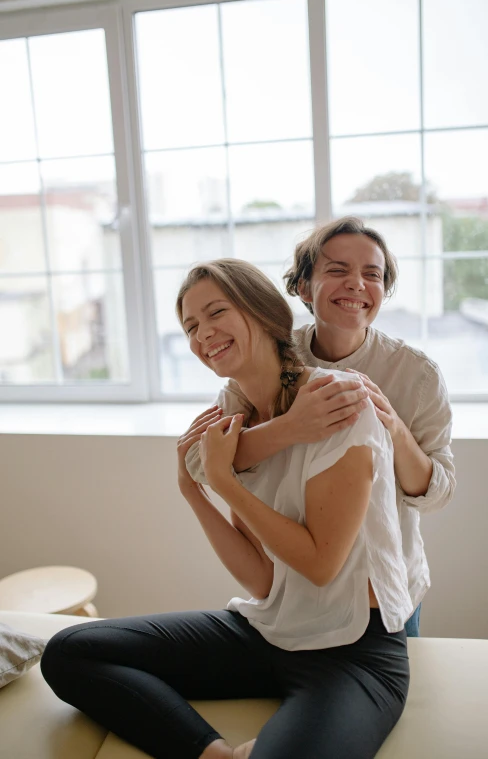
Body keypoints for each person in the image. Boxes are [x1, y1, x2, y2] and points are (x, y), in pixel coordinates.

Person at [41, 257, 412, 759]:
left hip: (353, 651)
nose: (202, 335)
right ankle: (215, 754)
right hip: (269, 629)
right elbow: (261, 580)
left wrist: (223, 480)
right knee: (69, 654)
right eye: (191, 326)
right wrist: (192, 490)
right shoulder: (235, 420)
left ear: (261, 312)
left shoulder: (337, 401)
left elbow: (321, 565)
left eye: (216, 313)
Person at [185, 217, 456, 637]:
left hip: (383, 586)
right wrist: (291, 427)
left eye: (372, 275)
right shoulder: (270, 355)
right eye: (337, 270)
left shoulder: (416, 375)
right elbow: (201, 459)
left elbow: (437, 493)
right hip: (301, 594)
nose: (356, 284)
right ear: (304, 288)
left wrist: (395, 432)